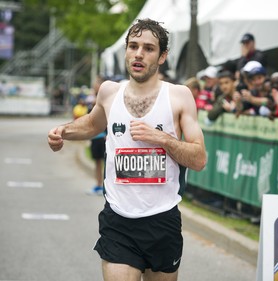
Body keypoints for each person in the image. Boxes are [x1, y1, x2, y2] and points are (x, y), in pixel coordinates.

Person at [47, 18, 206, 281]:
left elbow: (199, 159)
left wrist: (163, 139)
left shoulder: (178, 96)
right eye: (133, 46)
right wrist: (64, 131)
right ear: (126, 51)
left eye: (148, 48)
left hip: (162, 219)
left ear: (163, 56)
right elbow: (92, 123)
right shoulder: (109, 92)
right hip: (118, 219)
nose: (139, 54)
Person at [86, 75, 107, 196]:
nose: (95, 84)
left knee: (107, 164)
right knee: (97, 162)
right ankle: (98, 185)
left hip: (104, 137)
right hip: (95, 137)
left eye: (97, 82)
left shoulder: (106, 99)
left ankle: (105, 186)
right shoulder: (92, 99)